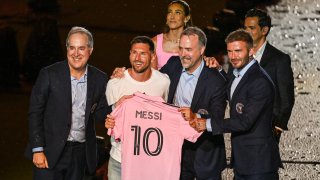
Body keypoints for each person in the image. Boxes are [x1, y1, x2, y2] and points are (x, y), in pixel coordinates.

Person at [25, 26, 111, 180]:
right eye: (72, 48)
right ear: (67, 49)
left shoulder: (100, 78)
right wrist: (37, 149)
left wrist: (118, 85)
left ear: (90, 50)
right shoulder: (49, 74)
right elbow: (35, 113)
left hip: (80, 153)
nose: (76, 53)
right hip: (48, 151)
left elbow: (100, 114)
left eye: (81, 48)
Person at [195, 29, 282, 179]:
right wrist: (219, 69)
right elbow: (235, 90)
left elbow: (245, 122)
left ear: (251, 51)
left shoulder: (259, 81)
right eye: (230, 51)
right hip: (243, 162)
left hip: (259, 164)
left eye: (238, 51)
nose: (233, 57)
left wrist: (208, 124)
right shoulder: (238, 73)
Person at [160, 26, 227, 180]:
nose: (183, 54)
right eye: (181, 48)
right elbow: (153, 81)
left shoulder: (216, 80)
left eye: (189, 49)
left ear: (202, 49)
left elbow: (217, 117)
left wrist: (194, 115)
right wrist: (125, 74)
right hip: (176, 151)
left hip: (205, 152)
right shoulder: (173, 64)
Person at [105, 36, 170, 180]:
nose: (137, 58)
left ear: (152, 56)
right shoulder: (115, 83)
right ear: (129, 54)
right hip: (119, 160)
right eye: (134, 52)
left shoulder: (164, 82)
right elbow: (110, 120)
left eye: (143, 53)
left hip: (149, 161)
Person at [243, 8, 295, 143]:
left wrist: (278, 127)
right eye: (245, 27)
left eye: (251, 28)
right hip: (241, 127)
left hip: (267, 129)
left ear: (264, 30)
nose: (246, 32)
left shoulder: (279, 60)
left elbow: (286, 98)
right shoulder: (238, 57)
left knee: (264, 164)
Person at [152, 0, 192, 69]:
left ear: (186, 18)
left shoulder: (194, 43)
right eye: (170, 12)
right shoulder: (155, 42)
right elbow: (150, 76)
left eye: (177, 12)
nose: (172, 17)